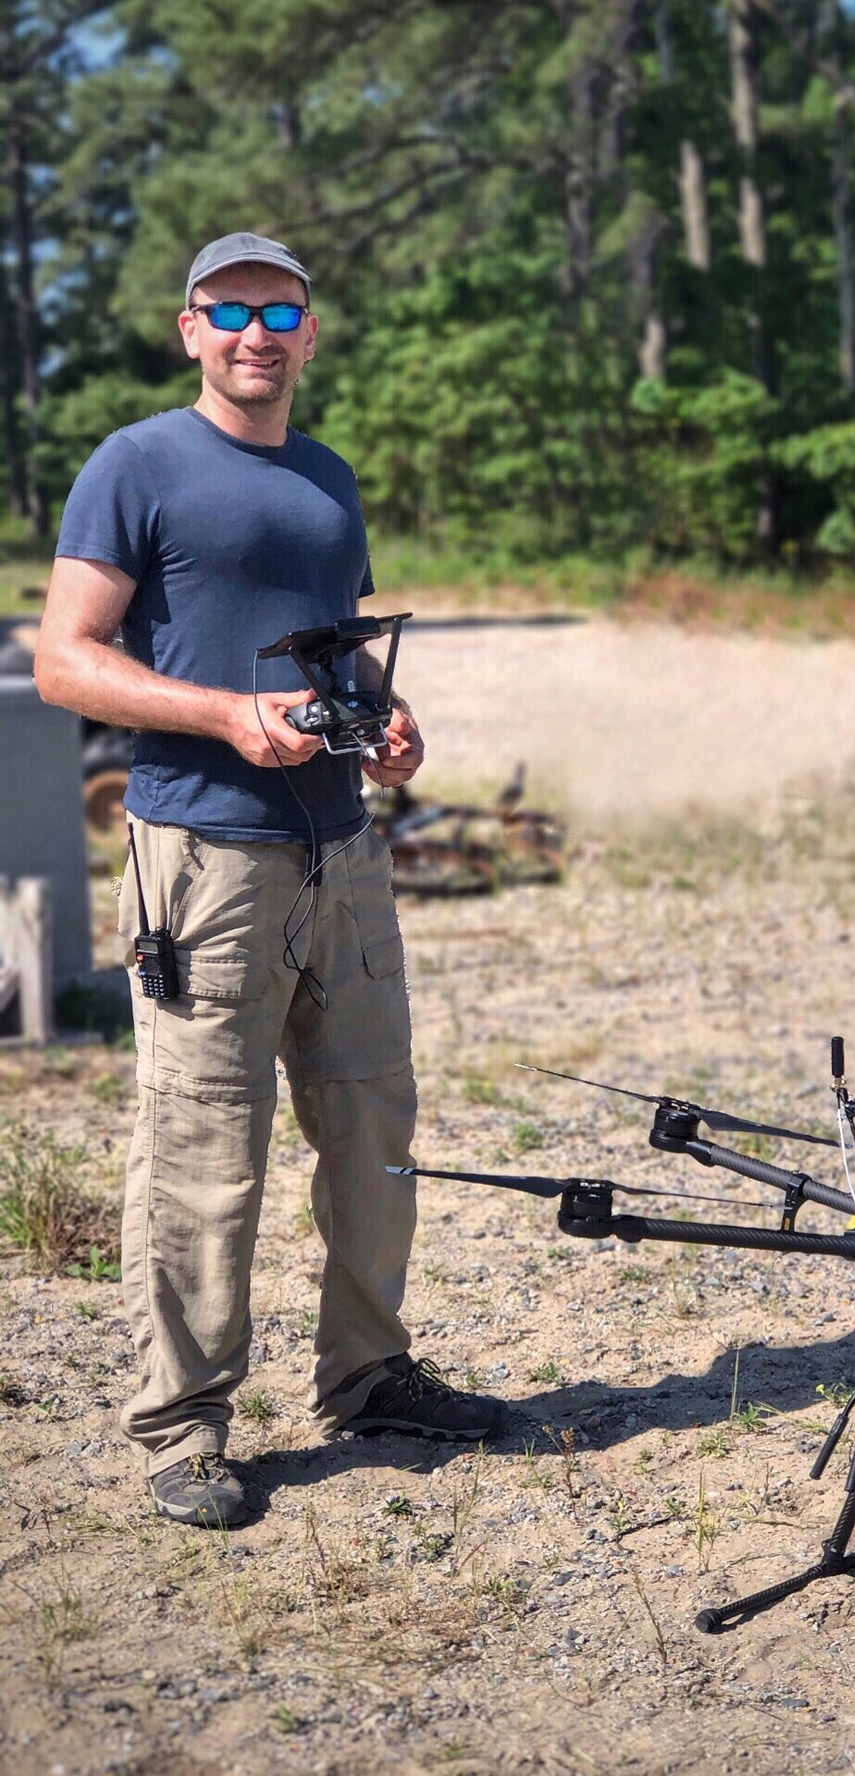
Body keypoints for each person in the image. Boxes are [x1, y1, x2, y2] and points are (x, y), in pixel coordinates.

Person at [34, 232, 504, 1529]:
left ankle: (370, 1378)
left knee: (372, 1127)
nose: (256, 330)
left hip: (342, 851)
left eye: (279, 308)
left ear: (308, 327)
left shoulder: (328, 480)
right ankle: (183, 1430)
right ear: (190, 328)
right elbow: (66, 659)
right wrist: (226, 716)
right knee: (202, 1150)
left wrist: (392, 729)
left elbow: (341, 661)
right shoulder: (135, 464)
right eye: (229, 308)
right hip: (203, 856)